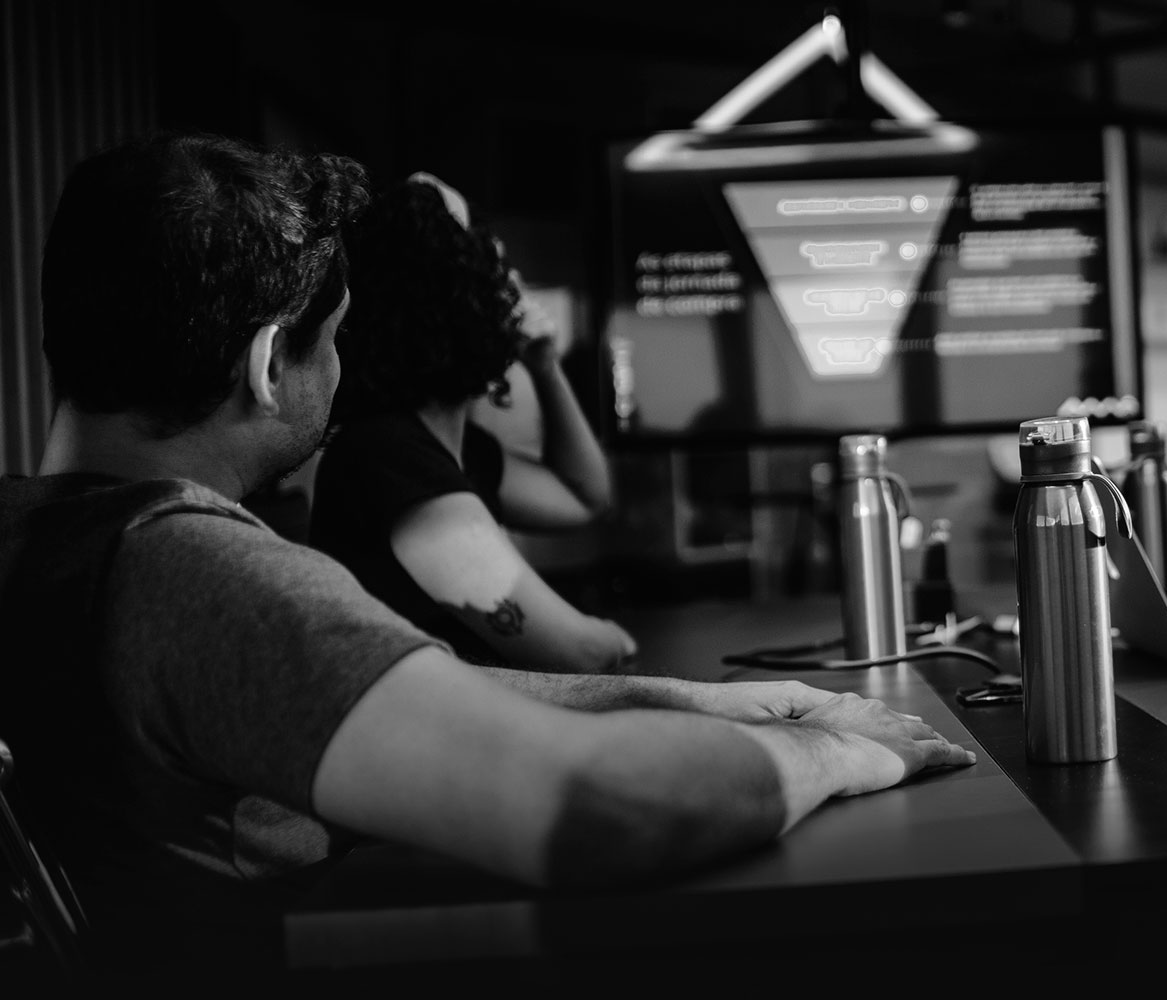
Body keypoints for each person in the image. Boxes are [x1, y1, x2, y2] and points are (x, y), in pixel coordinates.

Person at [0, 133, 973, 973]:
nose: (340, 370)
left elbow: (385, 692)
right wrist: (832, 753)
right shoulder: (196, 576)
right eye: (332, 338)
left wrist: (690, 701)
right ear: (265, 364)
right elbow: (607, 808)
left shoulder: (42, 539)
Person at [309, 173, 631, 673]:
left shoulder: (457, 448)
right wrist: (615, 640)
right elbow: (580, 652)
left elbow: (584, 497)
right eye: (497, 271)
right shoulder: (388, 457)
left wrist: (545, 366)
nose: (515, 291)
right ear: (457, 301)